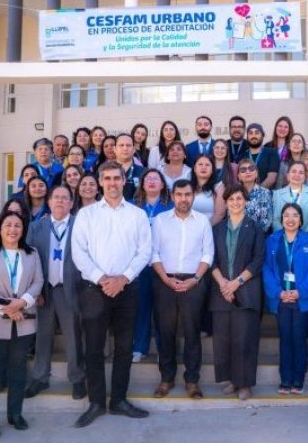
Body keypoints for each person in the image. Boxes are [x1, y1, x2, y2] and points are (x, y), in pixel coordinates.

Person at [71, 161, 152, 427]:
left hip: (127, 289)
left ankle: (118, 400)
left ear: (124, 181)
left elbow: (144, 251)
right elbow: (79, 252)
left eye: (117, 178)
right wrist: (102, 279)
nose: (112, 183)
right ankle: (96, 402)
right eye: (107, 178)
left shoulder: (137, 215)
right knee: (94, 348)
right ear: (100, 182)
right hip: (95, 290)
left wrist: (123, 278)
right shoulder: (87, 214)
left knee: (124, 348)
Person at [0, 210, 43, 439]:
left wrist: (22, 303)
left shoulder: (32, 254)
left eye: (17, 225)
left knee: (18, 370)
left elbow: (38, 282)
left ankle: (15, 413)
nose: (13, 229)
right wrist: (7, 308)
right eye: (8, 225)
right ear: (0, 229)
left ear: (23, 230)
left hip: (23, 322)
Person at [151, 179, 214, 400]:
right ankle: (166, 379)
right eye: (179, 195)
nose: (183, 199)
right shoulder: (160, 221)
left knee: (192, 332)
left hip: (193, 282)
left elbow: (208, 254)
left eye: (187, 194)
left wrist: (195, 279)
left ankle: (192, 381)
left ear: (193, 196)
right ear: (172, 196)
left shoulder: (202, 222)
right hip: (165, 281)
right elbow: (153, 253)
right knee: (165, 332)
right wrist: (165, 279)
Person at [24, 185, 86, 401]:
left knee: (73, 336)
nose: (60, 201)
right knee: (42, 335)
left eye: (64, 198)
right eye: (56, 197)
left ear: (71, 203)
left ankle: (77, 378)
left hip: (70, 288)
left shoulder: (80, 225)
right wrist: (34, 290)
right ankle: (40, 377)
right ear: (49, 202)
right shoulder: (36, 227)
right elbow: (29, 260)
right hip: (44, 290)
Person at [211, 185, 265, 400]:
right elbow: (211, 259)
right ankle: (232, 380)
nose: (235, 202)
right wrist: (223, 284)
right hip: (221, 291)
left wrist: (236, 283)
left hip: (246, 291)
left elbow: (258, 260)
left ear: (246, 201)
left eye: (239, 198)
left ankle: (245, 383)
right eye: (231, 199)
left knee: (245, 339)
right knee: (224, 340)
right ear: (225, 202)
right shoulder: (217, 229)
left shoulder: (255, 228)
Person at [263, 203, 308, 395]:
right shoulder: (272, 240)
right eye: (286, 215)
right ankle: (285, 379)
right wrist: (278, 292)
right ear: (281, 220)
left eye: (295, 215)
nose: (290, 219)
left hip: (301, 300)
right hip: (281, 299)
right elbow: (267, 269)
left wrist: (300, 292)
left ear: (301, 220)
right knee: (285, 338)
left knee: (299, 337)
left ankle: (298, 379)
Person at [131, 169, 173, 363]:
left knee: (163, 309)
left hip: (164, 263)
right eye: (148, 178)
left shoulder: (170, 206)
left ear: (163, 184)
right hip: (139, 264)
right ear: (142, 184)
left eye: (156, 179)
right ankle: (139, 347)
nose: (152, 181)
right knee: (140, 306)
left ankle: (164, 350)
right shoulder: (132, 206)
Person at [272, 161, 308, 233]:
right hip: (283, 237)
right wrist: (285, 236)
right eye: (294, 171)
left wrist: (304, 236)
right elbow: (275, 219)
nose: (297, 175)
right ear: (288, 175)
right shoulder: (277, 194)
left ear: (305, 177)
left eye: (301, 173)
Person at [237, 158, 273, 233]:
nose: (248, 172)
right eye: (243, 170)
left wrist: (252, 234)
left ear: (256, 174)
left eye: (251, 169)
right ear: (239, 176)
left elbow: (267, 221)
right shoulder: (234, 194)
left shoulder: (265, 193)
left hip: (259, 236)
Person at [191, 154, 226, 225]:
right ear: (194, 169)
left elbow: (219, 215)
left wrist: (204, 229)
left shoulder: (219, 188)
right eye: (200, 164)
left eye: (207, 165)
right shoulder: (187, 188)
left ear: (212, 170)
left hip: (210, 228)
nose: (203, 167)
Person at [246, 122, 280, 189]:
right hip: (245, 194)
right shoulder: (241, 156)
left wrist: (257, 192)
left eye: (257, 133)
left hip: (266, 194)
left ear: (262, 135)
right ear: (247, 137)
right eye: (250, 133)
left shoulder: (271, 153)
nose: (253, 136)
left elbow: (271, 178)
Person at [114, 133, 145, 201]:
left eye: (128, 145)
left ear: (133, 149)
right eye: (121, 145)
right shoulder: (105, 171)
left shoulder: (144, 172)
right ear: (115, 149)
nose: (125, 148)